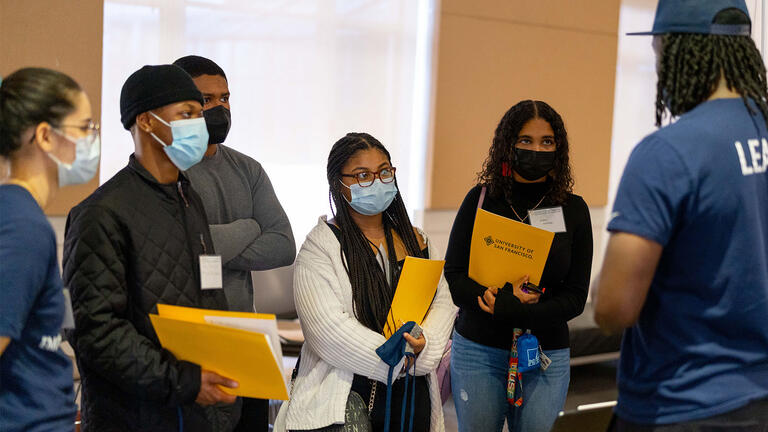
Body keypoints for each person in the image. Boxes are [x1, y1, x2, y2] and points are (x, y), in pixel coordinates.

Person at [594, 1, 768, 429]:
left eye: (657, 54)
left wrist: (604, 281)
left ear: (677, 49)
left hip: (678, 406)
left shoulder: (669, 152)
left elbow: (614, 309)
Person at [63, 65, 241, 431]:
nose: (200, 123)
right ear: (145, 121)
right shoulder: (101, 212)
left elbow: (207, 293)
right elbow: (95, 332)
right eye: (186, 114)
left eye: (199, 113)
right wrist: (183, 382)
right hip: (134, 416)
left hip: (198, 412)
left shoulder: (189, 198)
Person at [274, 132, 456, 432]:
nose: (377, 182)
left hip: (412, 397)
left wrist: (422, 350)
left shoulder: (417, 240)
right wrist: (396, 359)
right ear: (339, 183)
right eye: (362, 175)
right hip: (343, 395)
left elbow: (443, 304)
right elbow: (327, 331)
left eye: (384, 172)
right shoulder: (322, 246)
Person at [444, 100, 593, 432]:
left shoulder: (574, 210)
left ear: (558, 149)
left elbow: (575, 297)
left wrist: (516, 311)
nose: (536, 149)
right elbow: (454, 277)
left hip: (545, 355)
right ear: (507, 145)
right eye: (525, 140)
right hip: (478, 350)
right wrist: (493, 300)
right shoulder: (480, 199)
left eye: (546, 142)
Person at [172, 54, 295, 432]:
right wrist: (247, 226)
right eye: (206, 100)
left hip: (247, 341)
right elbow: (179, 248)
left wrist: (208, 243)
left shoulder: (248, 169)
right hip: (189, 347)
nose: (220, 108)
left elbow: (282, 245)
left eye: (225, 98)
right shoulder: (166, 169)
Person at [0, 67, 99, 431]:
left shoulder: (16, 214)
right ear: (45, 135)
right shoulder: (22, 226)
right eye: (84, 128)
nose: (91, 140)